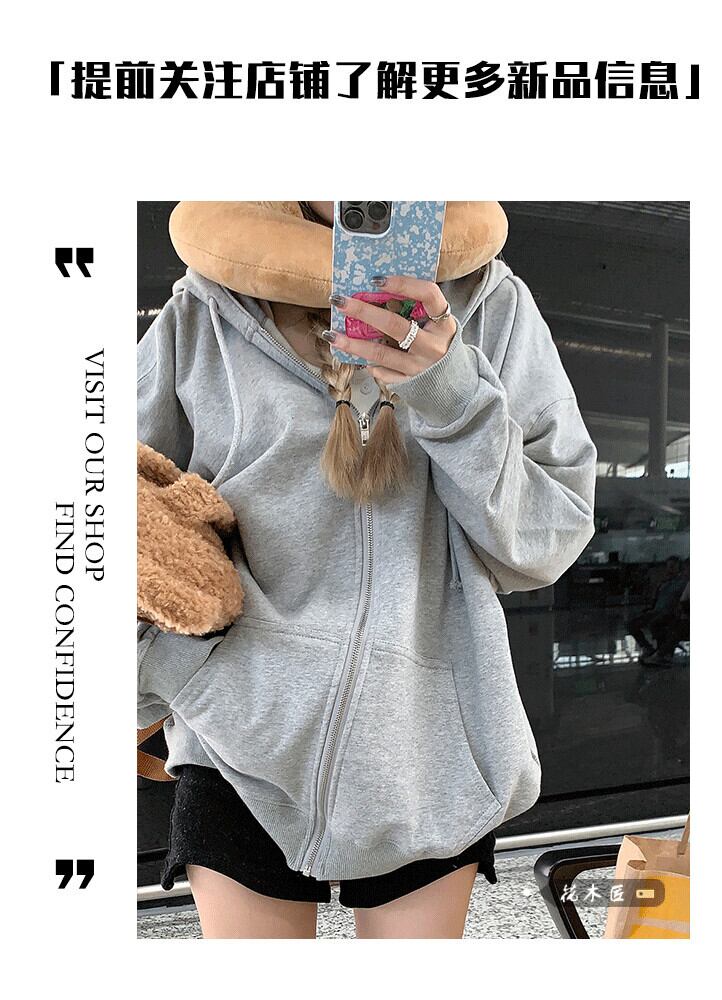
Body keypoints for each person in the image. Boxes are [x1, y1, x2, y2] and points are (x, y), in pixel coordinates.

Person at [137, 200, 598, 938]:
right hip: (237, 738)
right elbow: (129, 515)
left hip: (430, 742)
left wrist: (450, 392)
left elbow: (546, 540)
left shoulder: (495, 306)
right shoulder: (203, 312)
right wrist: (161, 675)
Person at [627, 555, 687, 664]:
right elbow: (656, 600)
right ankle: (647, 647)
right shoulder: (664, 583)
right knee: (632, 623)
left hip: (669, 613)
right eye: (668, 567)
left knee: (656, 623)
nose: (670, 570)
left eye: (673, 567)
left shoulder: (683, 583)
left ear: (679, 568)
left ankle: (663, 652)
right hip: (656, 611)